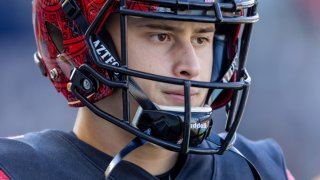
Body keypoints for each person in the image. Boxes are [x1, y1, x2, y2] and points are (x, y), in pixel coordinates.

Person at [0, 0, 294, 179]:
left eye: (202, 38)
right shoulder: (14, 170)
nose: (190, 65)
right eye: (161, 35)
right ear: (76, 46)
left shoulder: (264, 170)